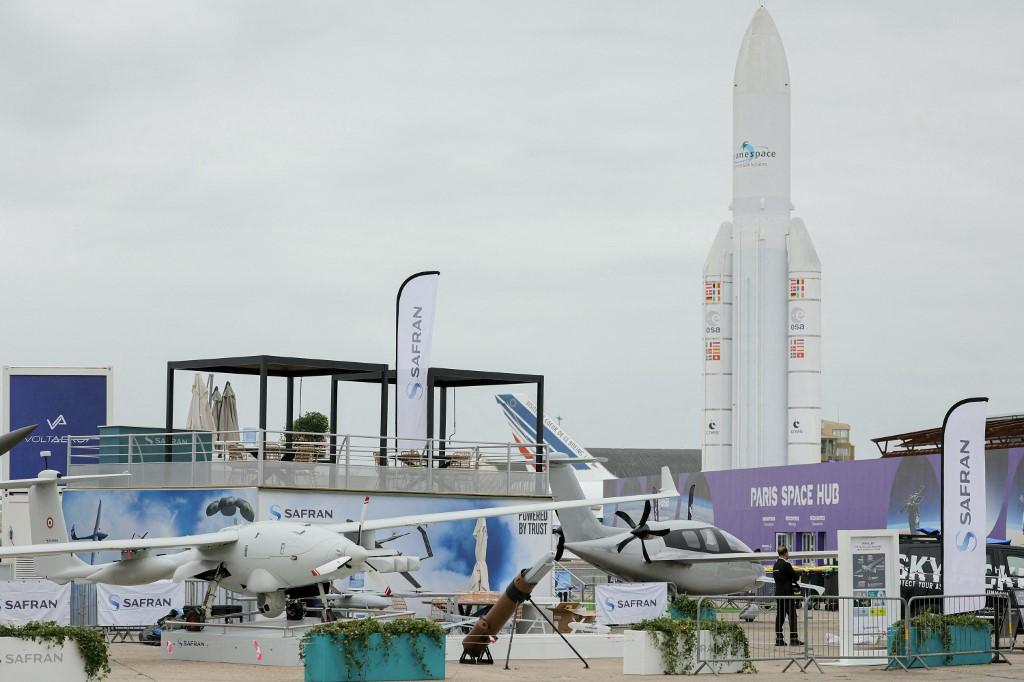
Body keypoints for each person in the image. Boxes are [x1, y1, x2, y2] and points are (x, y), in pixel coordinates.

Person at [773, 546, 803, 646]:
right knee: (792, 616)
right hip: (787, 595)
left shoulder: (775, 565)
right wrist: (799, 573)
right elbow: (794, 576)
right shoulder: (786, 565)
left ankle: (779, 639)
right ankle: (794, 639)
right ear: (785, 553)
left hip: (779, 594)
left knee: (780, 616)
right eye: (788, 553)